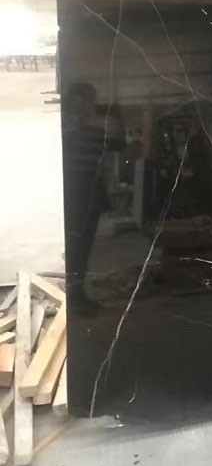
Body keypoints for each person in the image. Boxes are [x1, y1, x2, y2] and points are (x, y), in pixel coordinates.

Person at [63, 82, 125, 305]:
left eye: (91, 100)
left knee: (83, 245)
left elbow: (119, 143)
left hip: (90, 189)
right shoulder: (67, 125)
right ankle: (73, 295)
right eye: (85, 100)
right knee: (75, 245)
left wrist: (114, 120)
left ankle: (77, 293)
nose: (89, 105)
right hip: (72, 189)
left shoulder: (98, 127)